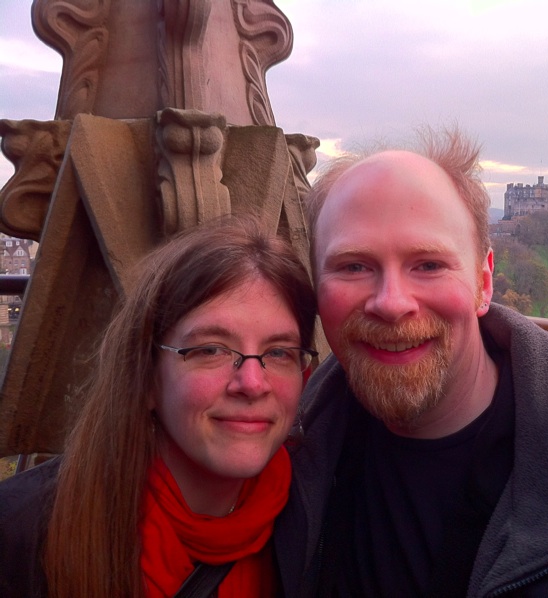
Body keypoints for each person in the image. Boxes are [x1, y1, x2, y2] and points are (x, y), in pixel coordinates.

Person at [274, 128, 548, 597]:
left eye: (428, 264)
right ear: (317, 286)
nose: (391, 303)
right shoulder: (283, 448)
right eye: (354, 266)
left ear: (484, 283)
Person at [0, 214, 318, 598]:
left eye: (279, 351)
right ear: (148, 375)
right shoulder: (21, 537)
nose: (252, 383)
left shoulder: (321, 519)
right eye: (210, 350)